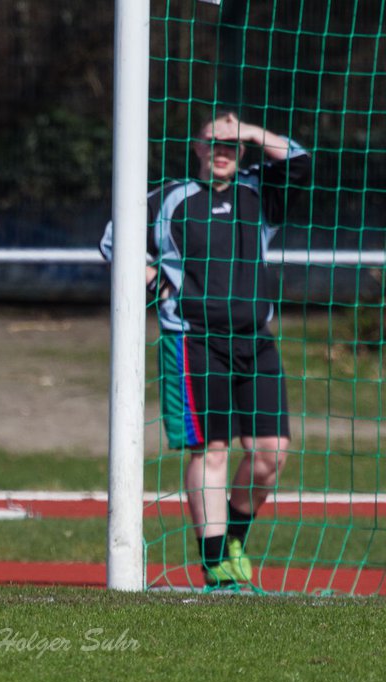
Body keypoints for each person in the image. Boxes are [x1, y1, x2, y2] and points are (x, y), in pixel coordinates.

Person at [100, 112, 312, 588]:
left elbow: (299, 163)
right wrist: (162, 289)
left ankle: (234, 539)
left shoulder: (259, 193)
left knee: (270, 455)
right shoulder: (169, 199)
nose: (222, 151)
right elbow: (113, 241)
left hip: (256, 342)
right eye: (213, 143)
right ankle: (215, 565)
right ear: (196, 148)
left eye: (232, 145)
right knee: (211, 451)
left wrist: (253, 132)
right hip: (194, 340)